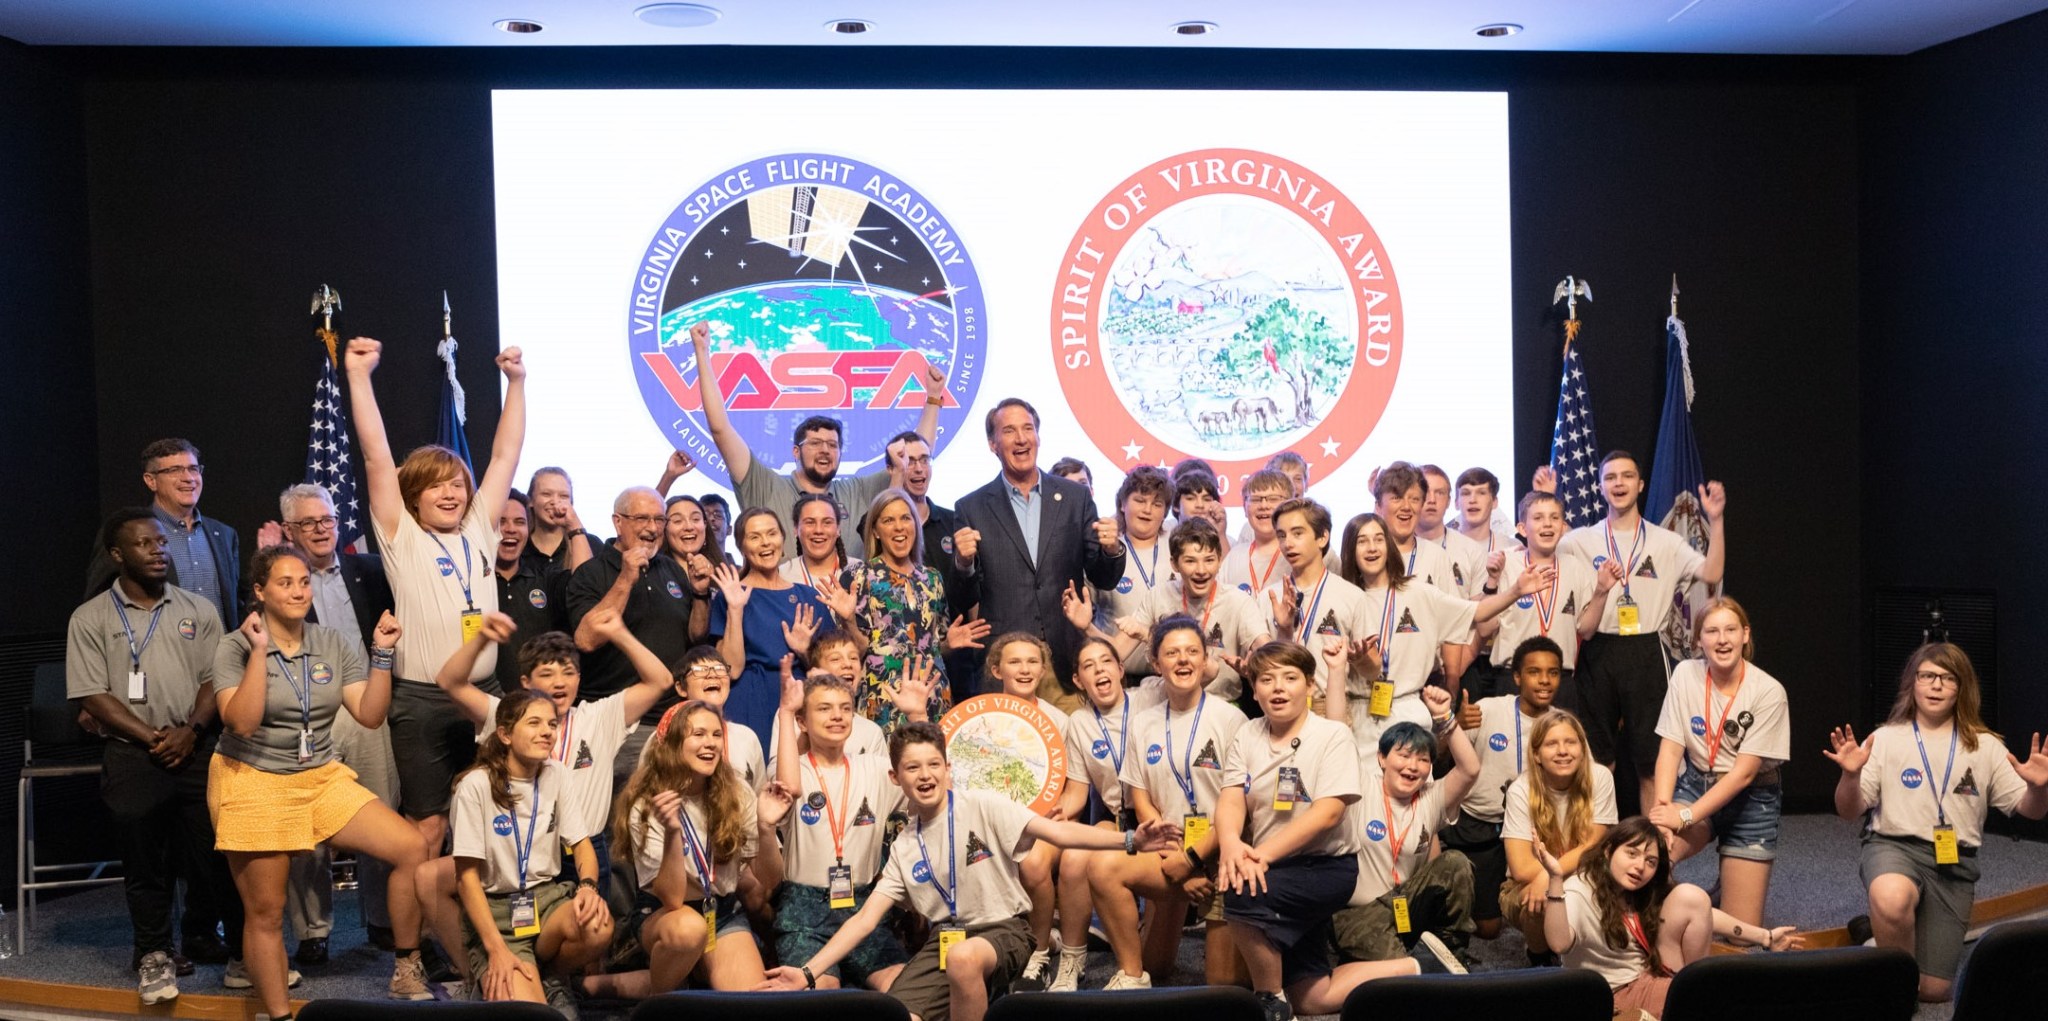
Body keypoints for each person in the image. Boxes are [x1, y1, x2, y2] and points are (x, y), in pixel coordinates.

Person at [756, 722, 1181, 1021]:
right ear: (895, 777)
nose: (925, 775)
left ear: (947, 768)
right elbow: (865, 919)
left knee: (962, 958)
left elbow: (1060, 832)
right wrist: (809, 971)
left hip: (1005, 931)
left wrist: (1130, 842)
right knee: (898, 1014)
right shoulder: (905, 846)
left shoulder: (982, 806)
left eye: (933, 764)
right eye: (913, 768)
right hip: (948, 940)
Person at [212, 546, 433, 1013]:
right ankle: (277, 1013)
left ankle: (407, 965)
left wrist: (382, 655)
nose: (298, 591)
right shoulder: (233, 646)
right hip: (254, 778)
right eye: (285, 583)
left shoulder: (331, 640)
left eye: (304, 582)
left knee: (412, 848)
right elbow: (242, 722)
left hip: (319, 775)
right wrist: (257, 652)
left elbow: (370, 715)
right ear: (260, 591)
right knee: (267, 912)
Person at [344, 335, 527, 858]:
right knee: (426, 831)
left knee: (497, 822)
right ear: (413, 497)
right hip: (423, 701)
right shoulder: (401, 536)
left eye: (456, 484)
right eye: (436, 486)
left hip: (483, 693)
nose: (450, 493)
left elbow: (506, 453)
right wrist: (359, 376)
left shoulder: (479, 529)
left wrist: (516, 382)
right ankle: (413, 943)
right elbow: (377, 458)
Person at [67, 509, 237, 1004]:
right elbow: (91, 694)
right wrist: (151, 737)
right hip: (131, 755)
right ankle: (154, 954)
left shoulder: (198, 608)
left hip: (197, 747)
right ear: (119, 555)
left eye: (161, 542)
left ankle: (207, 936)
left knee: (213, 855)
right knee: (146, 862)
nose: (158, 550)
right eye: (145, 544)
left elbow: (216, 676)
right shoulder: (91, 617)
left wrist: (191, 729)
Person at [1825, 643, 2048, 1002]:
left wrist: (2040, 789)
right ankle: (1891, 977)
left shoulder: (1987, 746)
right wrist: (1850, 777)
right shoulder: (1884, 738)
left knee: (1934, 991)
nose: (1936, 685)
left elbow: (2031, 810)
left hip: (1954, 863)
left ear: (1962, 687)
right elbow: (1849, 811)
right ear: (1912, 684)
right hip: (1894, 848)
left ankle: (1872, 936)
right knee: (1892, 898)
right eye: (1927, 676)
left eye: (1947, 678)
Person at [1216, 639, 1415, 1021]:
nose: (1278, 687)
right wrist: (1229, 843)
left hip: (1326, 868)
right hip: (1275, 865)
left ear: (1309, 686)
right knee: (1313, 998)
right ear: (1254, 690)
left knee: (1240, 893)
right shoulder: (1246, 734)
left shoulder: (1332, 735)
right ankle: (1416, 965)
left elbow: (1329, 813)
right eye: (1267, 679)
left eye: (1290, 678)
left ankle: (1270, 1001)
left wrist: (1259, 855)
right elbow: (1230, 798)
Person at [1546, 452, 1726, 809]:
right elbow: (1540, 549)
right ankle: (1598, 848)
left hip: (1646, 651)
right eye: (1610, 477)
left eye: (1627, 476)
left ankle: (1653, 848)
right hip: (1597, 651)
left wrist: (1716, 521)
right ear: (1600, 486)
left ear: (1640, 485)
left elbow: (1711, 573)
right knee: (1598, 762)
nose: (1619, 484)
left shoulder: (1666, 542)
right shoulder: (1578, 541)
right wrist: (1549, 499)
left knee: (1651, 762)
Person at [272, 482, 402, 962]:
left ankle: (385, 920)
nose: (322, 530)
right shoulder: (277, 583)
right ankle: (313, 932)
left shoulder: (369, 570)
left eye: (327, 520)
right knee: (308, 832)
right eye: (308, 523)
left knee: (379, 815)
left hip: (367, 708)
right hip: (308, 719)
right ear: (289, 530)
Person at [687, 319, 943, 561]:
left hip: (849, 605)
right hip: (782, 606)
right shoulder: (765, 486)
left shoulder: (857, 491)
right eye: (815, 443)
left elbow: (914, 453)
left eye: (833, 445)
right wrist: (702, 352)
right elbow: (721, 430)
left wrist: (933, 398)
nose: (825, 450)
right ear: (795, 452)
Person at [583, 701, 786, 997]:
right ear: (673, 742)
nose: (710, 744)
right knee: (688, 930)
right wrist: (672, 833)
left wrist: (766, 829)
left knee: (752, 1004)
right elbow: (673, 897)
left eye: (717, 735)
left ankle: (659, 982)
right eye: (699, 734)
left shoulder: (737, 791)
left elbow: (769, 881)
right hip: (666, 914)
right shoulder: (647, 801)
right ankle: (660, 999)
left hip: (722, 912)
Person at [1091, 618, 1249, 989]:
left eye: (1192, 651)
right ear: (1155, 662)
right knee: (1102, 868)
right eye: (1172, 652)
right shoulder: (1143, 723)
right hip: (1171, 853)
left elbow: (1239, 806)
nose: (1183, 660)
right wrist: (1174, 857)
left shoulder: (1231, 719)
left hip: (1222, 854)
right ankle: (1133, 975)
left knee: (1223, 989)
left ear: (1204, 658)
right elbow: (1141, 799)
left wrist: (1194, 860)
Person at [1535, 818, 1797, 1019]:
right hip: (1612, 996)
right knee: (1718, 1003)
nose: (1640, 866)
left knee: (1692, 898)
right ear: (1607, 851)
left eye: (1650, 861)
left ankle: (1695, 989)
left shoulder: (1639, 888)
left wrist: (1765, 936)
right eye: (1632, 853)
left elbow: (1703, 914)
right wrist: (1556, 881)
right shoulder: (1580, 890)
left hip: (1647, 975)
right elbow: (1558, 944)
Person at [449, 692, 612, 1011]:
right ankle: (495, 977)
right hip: (497, 913)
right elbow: (466, 879)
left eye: (552, 724)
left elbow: (581, 845)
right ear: (505, 734)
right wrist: (495, 949)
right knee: (532, 1015)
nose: (547, 731)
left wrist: (589, 887)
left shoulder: (557, 773)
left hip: (546, 899)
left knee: (598, 924)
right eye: (534, 723)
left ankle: (552, 977)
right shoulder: (476, 786)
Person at [951, 397, 1126, 689]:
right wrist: (963, 563)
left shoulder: (1075, 498)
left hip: (1066, 661)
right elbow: (963, 598)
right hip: (1006, 666)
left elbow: (1103, 578)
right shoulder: (972, 507)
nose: (1021, 439)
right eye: (1008, 431)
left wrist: (1112, 550)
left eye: (1028, 428)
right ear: (992, 444)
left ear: (1038, 437)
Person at [758, 671, 916, 994]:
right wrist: (786, 712)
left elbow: (931, 783)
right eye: (825, 708)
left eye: (845, 708)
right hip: (805, 911)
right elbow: (789, 789)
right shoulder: (790, 769)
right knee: (825, 994)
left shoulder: (874, 767)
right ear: (803, 721)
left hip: (863, 908)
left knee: (901, 987)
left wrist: (917, 716)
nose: (837, 716)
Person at [1322, 690, 1481, 985]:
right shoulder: (1360, 786)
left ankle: (1451, 950)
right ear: (1381, 759)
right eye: (1404, 755)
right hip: (1359, 914)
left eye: (1422, 760)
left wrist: (1445, 718)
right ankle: (1390, 957)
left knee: (1455, 862)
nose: (1412, 766)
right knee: (1404, 984)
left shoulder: (1430, 798)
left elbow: (1470, 769)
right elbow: (1337, 731)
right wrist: (1336, 668)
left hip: (1406, 904)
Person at [1648, 597, 1789, 930]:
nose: (1722, 639)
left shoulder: (1768, 691)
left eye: (1730, 630)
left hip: (1752, 799)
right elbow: (1670, 748)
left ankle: (1725, 889)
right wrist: (1663, 811)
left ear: (1745, 635)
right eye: (1711, 631)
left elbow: (1744, 775)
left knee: (1741, 933)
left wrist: (1684, 815)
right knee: (1653, 853)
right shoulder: (1685, 674)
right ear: (1699, 640)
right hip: (1696, 783)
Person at [566, 486, 711, 775]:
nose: (652, 528)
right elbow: (586, 639)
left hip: (671, 718)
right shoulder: (591, 573)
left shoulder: (671, 569)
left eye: (659, 520)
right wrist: (625, 578)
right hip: (617, 721)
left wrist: (700, 595)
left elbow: (695, 636)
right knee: (615, 816)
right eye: (642, 519)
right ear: (618, 522)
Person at [1448, 636, 1569, 944]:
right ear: (1516, 677)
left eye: (1553, 672)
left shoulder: (1563, 727)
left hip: (1533, 833)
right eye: (1534, 672)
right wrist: (1454, 728)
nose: (1544, 680)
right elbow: (1438, 760)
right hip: (1481, 823)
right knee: (1488, 929)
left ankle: (1541, 948)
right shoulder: (1487, 710)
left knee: (1540, 899)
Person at [1084, 517, 1270, 702]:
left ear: (1220, 561)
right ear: (1174, 564)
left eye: (1209, 560)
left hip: (1222, 702)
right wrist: (1086, 627)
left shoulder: (1238, 600)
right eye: (1190, 561)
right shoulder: (1158, 595)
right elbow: (1118, 652)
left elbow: (1266, 648)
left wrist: (1257, 665)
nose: (1201, 570)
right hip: (1170, 702)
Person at [847, 488, 985, 727]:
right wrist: (847, 618)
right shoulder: (860, 576)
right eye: (888, 520)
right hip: (884, 696)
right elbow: (854, 650)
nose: (899, 527)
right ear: (876, 531)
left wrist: (948, 644)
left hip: (932, 694)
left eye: (905, 518)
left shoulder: (932, 578)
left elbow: (933, 646)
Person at [709, 507, 839, 739]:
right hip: (749, 705)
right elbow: (731, 669)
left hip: (801, 701)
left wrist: (804, 651)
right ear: (741, 547)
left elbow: (832, 670)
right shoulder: (730, 596)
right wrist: (736, 610)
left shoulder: (808, 597)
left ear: (783, 537)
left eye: (771, 533)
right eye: (754, 537)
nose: (765, 543)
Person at [1471, 492, 1612, 702]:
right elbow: (1484, 629)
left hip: (1560, 680)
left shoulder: (1575, 567)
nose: (1547, 524)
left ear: (1563, 527)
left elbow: (1587, 630)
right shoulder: (1503, 563)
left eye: (1554, 518)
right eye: (1538, 518)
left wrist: (1601, 591)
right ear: (1522, 528)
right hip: (1513, 678)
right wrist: (1492, 581)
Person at [87, 439, 242, 629]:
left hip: (220, 653)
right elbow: (98, 601)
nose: (188, 478)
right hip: (158, 653)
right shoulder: (126, 532)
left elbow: (236, 603)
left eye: (193, 468)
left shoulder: (224, 535)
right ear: (151, 481)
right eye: (175, 470)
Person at [1499, 710, 1617, 959]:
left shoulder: (1600, 777)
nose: (1563, 751)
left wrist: (1552, 876)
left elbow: (1593, 844)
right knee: (1538, 900)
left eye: (1571, 742)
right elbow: (1521, 868)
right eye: (1552, 744)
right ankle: (1539, 956)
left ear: (1582, 749)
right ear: (1536, 755)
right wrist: (1549, 880)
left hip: (1584, 874)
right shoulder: (1521, 790)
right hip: (1529, 883)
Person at [1263, 498, 1371, 703]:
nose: (1288, 543)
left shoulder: (1351, 595)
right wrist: (1283, 630)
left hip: (1331, 706)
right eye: (1281, 536)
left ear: (1322, 537)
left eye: (1297, 533)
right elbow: (1265, 666)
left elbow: (1373, 672)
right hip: (1279, 709)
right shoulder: (1269, 597)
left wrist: (1361, 660)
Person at [493, 490, 571, 697]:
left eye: (519, 522)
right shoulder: (472, 581)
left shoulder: (544, 577)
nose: (510, 529)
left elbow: (583, 586)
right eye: (501, 522)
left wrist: (575, 528)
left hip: (538, 704)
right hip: (486, 702)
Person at [1099, 466, 1174, 629]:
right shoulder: (1106, 551)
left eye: (1157, 504)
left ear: (1165, 512)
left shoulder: (1176, 546)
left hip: (1171, 652)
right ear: (1122, 504)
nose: (1147, 510)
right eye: (1140, 501)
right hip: (1117, 653)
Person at [1371, 463, 1457, 598]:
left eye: (1414, 499)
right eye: (1397, 498)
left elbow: (1453, 615)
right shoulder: (1366, 554)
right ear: (1378, 506)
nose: (1406, 506)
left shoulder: (1436, 556)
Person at [1221, 469, 1294, 602]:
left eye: (1273, 499)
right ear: (1244, 508)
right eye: (1255, 499)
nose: (1264, 505)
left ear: (1289, 505)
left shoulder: (1297, 554)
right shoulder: (1234, 556)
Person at [1417, 464, 1487, 600]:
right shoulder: (1395, 550)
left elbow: (1479, 614)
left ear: (1449, 501)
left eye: (1439, 493)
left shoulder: (1473, 552)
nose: (1432, 500)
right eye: (1425, 492)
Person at [521, 467, 596, 574]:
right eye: (546, 494)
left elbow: (589, 586)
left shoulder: (590, 544)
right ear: (531, 500)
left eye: (563, 496)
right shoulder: (518, 547)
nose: (555, 502)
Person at [784, 492, 859, 589]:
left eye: (827, 522)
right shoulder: (782, 574)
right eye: (810, 522)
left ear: (838, 529)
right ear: (795, 529)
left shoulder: (860, 571)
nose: (818, 530)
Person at [1452, 467, 1518, 551]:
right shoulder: (1443, 547)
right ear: (1456, 503)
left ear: (1494, 502)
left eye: (1481, 493)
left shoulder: (1512, 547)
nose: (1473, 500)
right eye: (1466, 493)